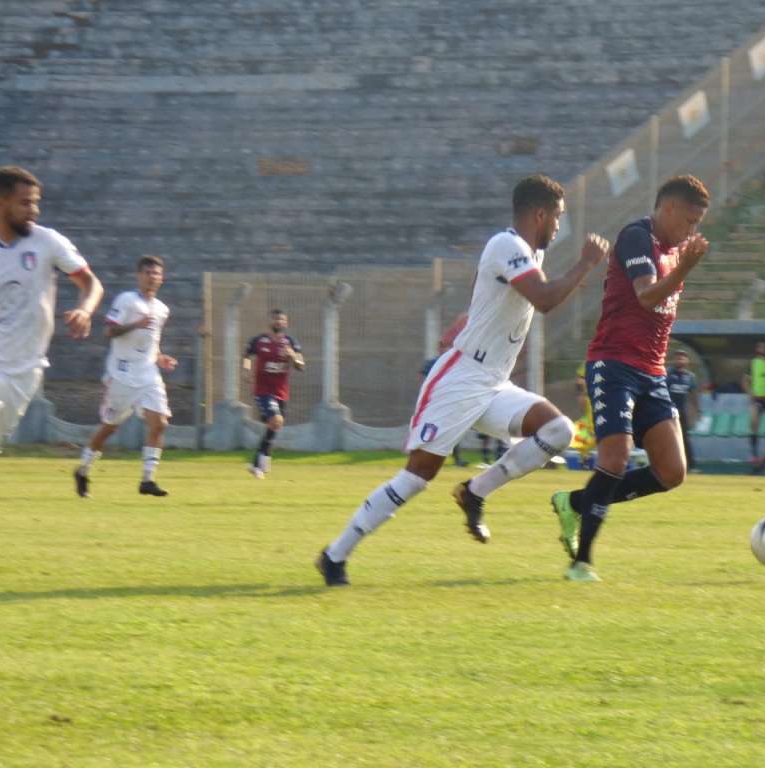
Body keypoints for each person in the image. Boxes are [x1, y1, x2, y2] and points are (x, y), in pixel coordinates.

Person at [316, 174, 610, 586]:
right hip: (461, 377)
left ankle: (474, 492)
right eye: (557, 217)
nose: (559, 227)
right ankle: (334, 556)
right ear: (539, 214)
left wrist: (467, 319)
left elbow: (490, 297)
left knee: (558, 429)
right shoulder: (506, 245)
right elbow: (544, 300)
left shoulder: (526, 254)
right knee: (417, 477)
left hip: (492, 381)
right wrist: (586, 262)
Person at [551, 174, 711, 582]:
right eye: (689, 221)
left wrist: (681, 266)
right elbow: (645, 295)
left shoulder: (676, 252)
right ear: (669, 209)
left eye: (698, 224)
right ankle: (581, 562)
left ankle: (574, 503)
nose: (693, 231)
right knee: (615, 459)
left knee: (672, 472)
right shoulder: (636, 237)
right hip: (614, 364)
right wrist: (684, 272)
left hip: (651, 371)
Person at [0, 165, 103, 511]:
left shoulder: (47, 242)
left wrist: (85, 310)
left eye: (36, 203)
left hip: (25, 368)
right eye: (25, 203)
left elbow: (91, 283)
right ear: (0, 202)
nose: (33, 211)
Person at [73, 256, 175, 497]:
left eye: (156, 273)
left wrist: (160, 357)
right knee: (110, 427)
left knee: (159, 423)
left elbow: (153, 342)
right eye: (148, 272)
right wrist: (135, 325)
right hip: (122, 374)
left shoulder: (162, 309)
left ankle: (147, 480)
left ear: (162, 278)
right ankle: (83, 469)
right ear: (139, 276)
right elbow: (109, 331)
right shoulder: (126, 300)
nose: (152, 277)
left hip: (148, 373)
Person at [243, 309, 305, 478]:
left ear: (286, 323)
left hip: (281, 392)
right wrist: (246, 370)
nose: (279, 322)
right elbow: (247, 356)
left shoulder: (290, 342)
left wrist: (292, 356)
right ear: (270, 321)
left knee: (275, 426)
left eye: (282, 319)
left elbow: (301, 365)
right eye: (276, 319)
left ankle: (260, 461)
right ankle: (260, 464)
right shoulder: (259, 340)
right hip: (263, 391)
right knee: (276, 421)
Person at [420, 313, 468, 468]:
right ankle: (422, 457)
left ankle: (456, 459)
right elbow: (424, 381)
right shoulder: (433, 363)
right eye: (443, 346)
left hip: (450, 401)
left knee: (453, 431)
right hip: (435, 402)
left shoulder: (454, 363)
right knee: (431, 432)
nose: (445, 348)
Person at [666, 348, 699, 471]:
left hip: (682, 413)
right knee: (668, 439)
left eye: (683, 357)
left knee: (684, 438)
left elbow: (693, 395)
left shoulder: (689, 376)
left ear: (687, 361)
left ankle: (691, 465)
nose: (680, 360)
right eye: (678, 357)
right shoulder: (667, 374)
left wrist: (697, 411)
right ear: (673, 360)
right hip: (668, 412)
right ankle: (667, 465)